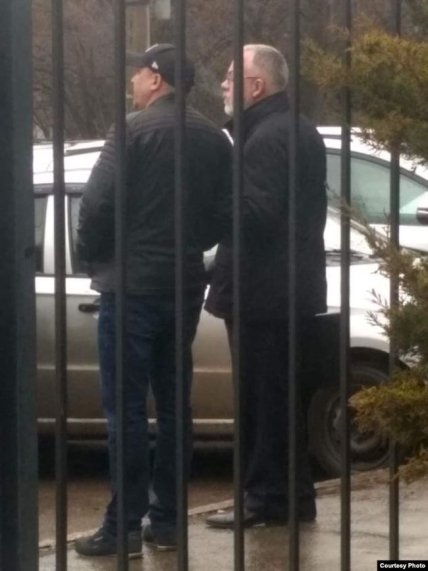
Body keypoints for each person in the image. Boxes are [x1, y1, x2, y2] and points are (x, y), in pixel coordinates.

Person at [74, 43, 232, 557]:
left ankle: (122, 526)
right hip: (182, 284)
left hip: (131, 288)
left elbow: (97, 203)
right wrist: (189, 244)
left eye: (138, 73)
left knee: (125, 410)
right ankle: (167, 522)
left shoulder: (130, 130)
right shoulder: (214, 137)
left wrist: (94, 257)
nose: (133, 82)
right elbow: (223, 213)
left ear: (157, 79)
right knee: (174, 406)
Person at [205, 44, 327, 529]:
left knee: (261, 401)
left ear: (256, 86)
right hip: (286, 289)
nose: (224, 83)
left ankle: (264, 498)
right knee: (282, 399)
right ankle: (292, 497)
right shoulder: (296, 128)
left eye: (232, 75)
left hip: (263, 293)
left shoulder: (265, 138)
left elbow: (257, 215)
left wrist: (209, 205)